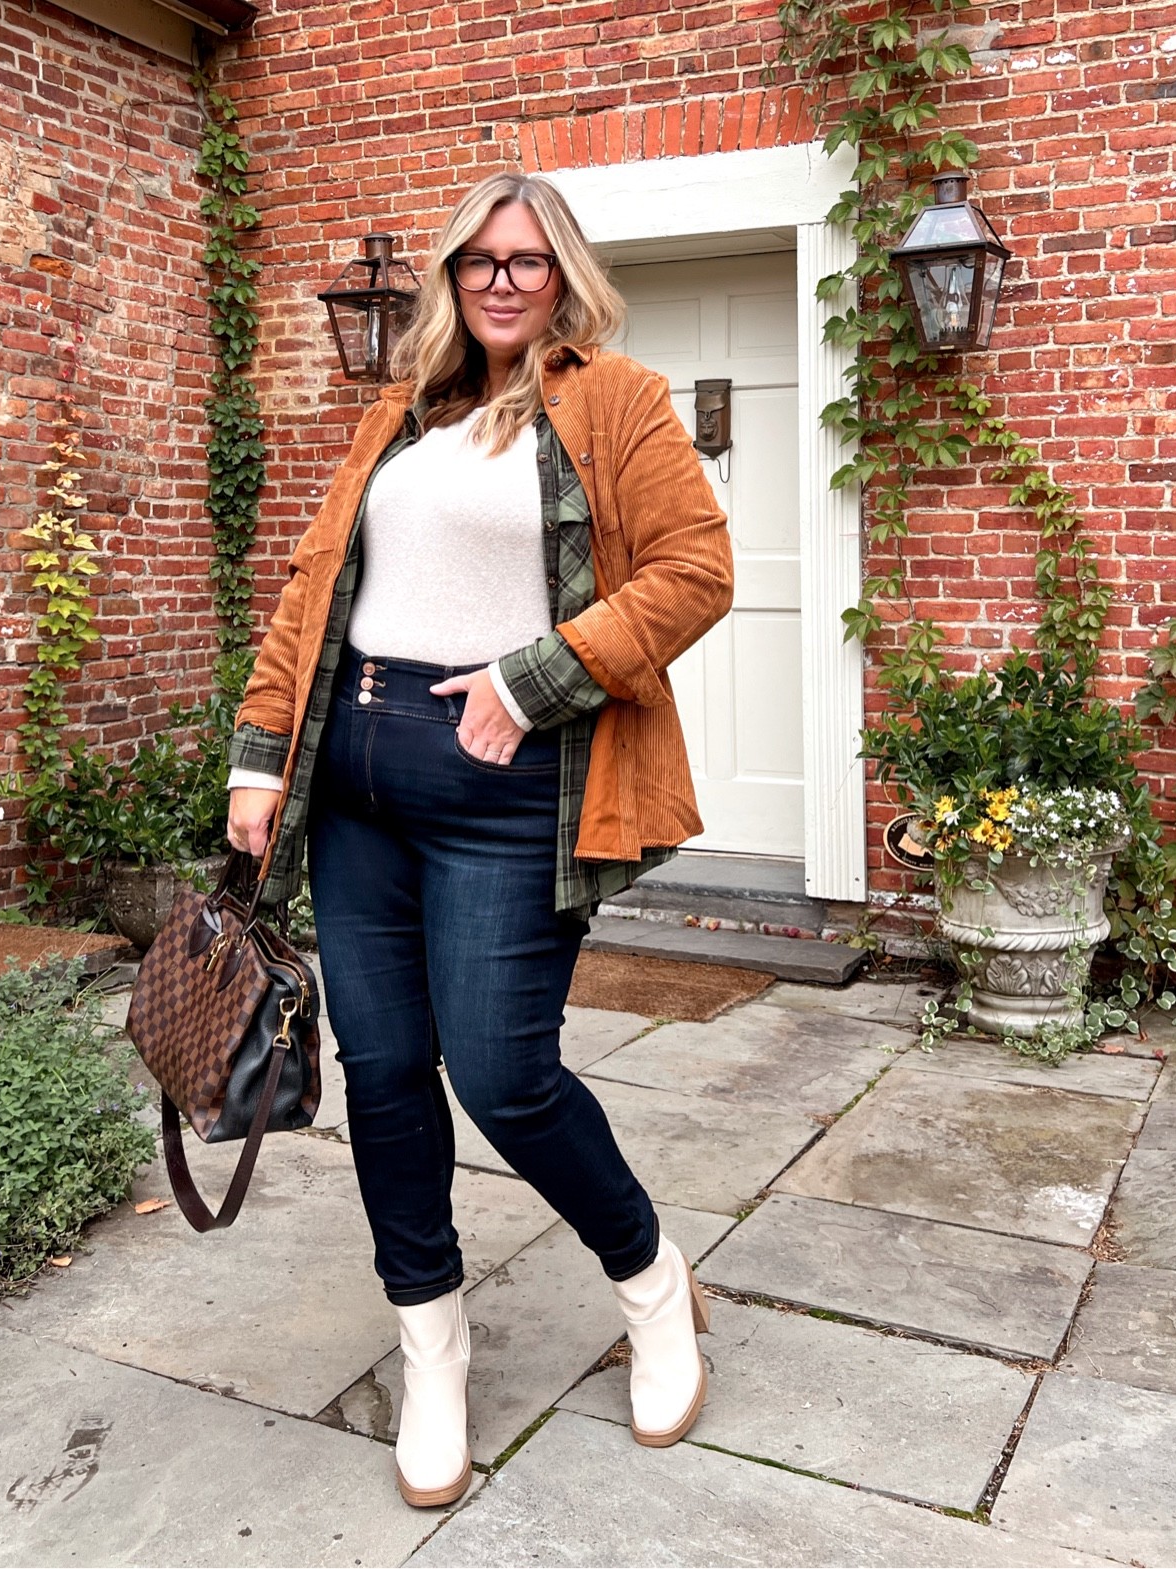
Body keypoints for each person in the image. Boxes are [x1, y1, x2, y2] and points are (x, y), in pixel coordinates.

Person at [225, 171, 733, 1508]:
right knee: (387, 1072)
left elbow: (693, 572)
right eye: (479, 262)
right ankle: (432, 1349)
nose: (502, 281)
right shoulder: (396, 415)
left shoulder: (613, 399)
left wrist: (531, 679)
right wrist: (259, 754)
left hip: (507, 789)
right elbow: (311, 591)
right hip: (355, 785)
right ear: (452, 279)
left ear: (563, 278)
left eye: (528, 261)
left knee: (506, 1074)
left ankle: (653, 1281)